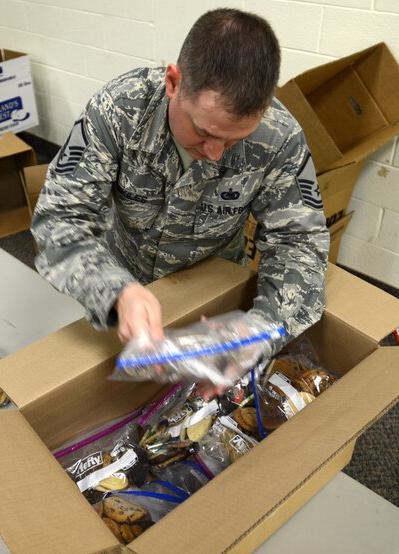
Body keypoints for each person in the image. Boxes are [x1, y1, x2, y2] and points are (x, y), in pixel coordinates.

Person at [31, 8, 330, 362]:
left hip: (215, 291)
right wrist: (115, 292)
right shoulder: (117, 111)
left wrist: (261, 330)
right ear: (173, 82)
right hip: (126, 284)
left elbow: (298, 242)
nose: (215, 153)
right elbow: (60, 218)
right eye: (204, 132)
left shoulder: (280, 138)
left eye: (236, 139)